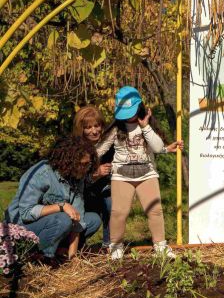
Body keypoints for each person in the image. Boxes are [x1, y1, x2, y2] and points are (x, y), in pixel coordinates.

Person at [95, 86, 183, 260]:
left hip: (147, 174)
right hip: (121, 175)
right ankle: (116, 247)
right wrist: (85, 158)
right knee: (119, 212)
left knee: (155, 211)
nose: (128, 116)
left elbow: (157, 148)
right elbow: (99, 149)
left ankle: (160, 246)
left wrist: (146, 127)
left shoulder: (147, 127)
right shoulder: (116, 129)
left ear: (140, 108)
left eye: (131, 111)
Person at [4, 136, 101, 261]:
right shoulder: (41, 174)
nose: (86, 168)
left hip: (53, 223)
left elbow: (78, 217)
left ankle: (61, 250)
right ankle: (44, 257)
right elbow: (26, 213)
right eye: (82, 164)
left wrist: (73, 257)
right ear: (68, 161)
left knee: (93, 220)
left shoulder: (78, 175)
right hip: (22, 227)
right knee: (63, 219)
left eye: (89, 164)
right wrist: (61, 206)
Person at [73, 106, 113, 249]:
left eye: (97, 126)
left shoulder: (110, 144)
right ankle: (76, 243)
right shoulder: (76, 149)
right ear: (81, 129)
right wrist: (96, 174)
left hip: (106, 186)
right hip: (83, 191)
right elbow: (77, 180)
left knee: (110, 204)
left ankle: (109, 244)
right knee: (89, 217)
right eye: (88, 127)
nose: (94, 131)